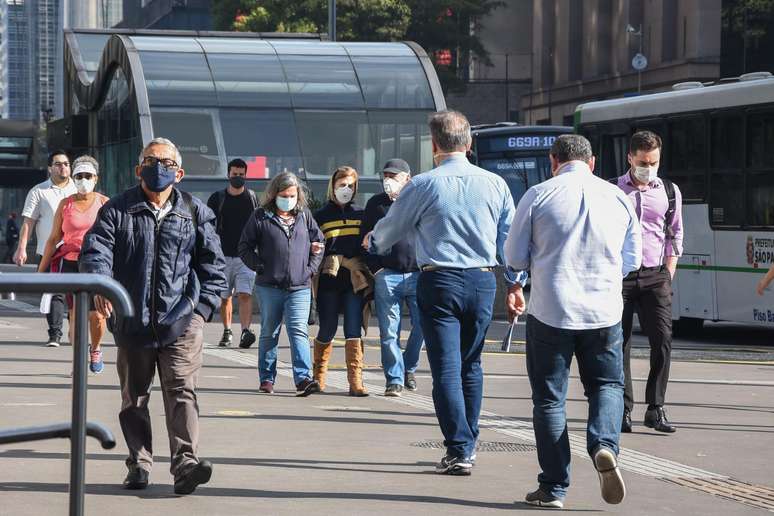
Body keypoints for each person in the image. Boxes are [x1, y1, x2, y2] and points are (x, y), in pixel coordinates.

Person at [368, 110, 514, 476]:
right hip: (483, 280)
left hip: (439, 279)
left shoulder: (423, 185)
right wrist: (516, 282)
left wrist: (375, 240)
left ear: (434, 146)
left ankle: (459, 447)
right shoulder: (495, 184)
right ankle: (470, 442)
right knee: (472, 365)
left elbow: (390, 230)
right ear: (469, 142)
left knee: (446, 369)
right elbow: (508, 239)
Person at [80, 137, 227, 495]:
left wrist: (201, 312)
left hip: (181, 322)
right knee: (135, 398)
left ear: (179, 172)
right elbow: (95, 251)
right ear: (138, 169)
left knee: (182, 392)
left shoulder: (194, 211)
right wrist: (102, 286)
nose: (157, 167)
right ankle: (139, 464)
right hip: (132, 321)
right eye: (150, 160)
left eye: (165, 162)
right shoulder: (117, 210)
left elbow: (214, 268)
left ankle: (186, 465)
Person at [504, 134, 642, 508]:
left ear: (553, 161)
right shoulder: (618, 197)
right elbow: (633, 260)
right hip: (604, 312)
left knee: (549, 400)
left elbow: (514, 257)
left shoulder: (538, 195)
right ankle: (603, 445)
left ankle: (553, 487)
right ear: (593, 162)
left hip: (552, 310)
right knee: (608, 386)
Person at [613, 130, 683, 434]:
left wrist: (669, 272)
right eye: (643, 161)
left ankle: (656, 408)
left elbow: (675, 233)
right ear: (630, 158)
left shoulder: (669, 191)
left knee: (663, 341)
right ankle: (623, 410)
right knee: (620, 344)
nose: (648, 167)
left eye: (654, 162)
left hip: (656, 275)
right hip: (621, 277)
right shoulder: (613, 189)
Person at [238, 172, 325, 396]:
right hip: (269, 286)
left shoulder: (304, 216)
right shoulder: (260, 216)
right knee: (269, 332)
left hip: (299, 286)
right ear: (274, 194)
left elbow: (319, 242)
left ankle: (303, 379)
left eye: (293, 195)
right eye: (284, 195)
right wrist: (259, 266)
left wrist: (311, 268)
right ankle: (267, 379)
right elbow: (244, 247)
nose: (288, 199)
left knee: (299, 331)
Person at [37, 156, 109, 373]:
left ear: (96, 178)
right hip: (70, 265)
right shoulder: (65, 204)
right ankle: (78, 361)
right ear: (74, 178)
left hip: (97, 265)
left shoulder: (105, 203)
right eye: (79, 176)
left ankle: (95, 349)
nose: (83, 180)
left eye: (88, 176)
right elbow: (52, 239)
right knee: (76, 317)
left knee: (97, 316)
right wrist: (41, 271)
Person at [361, 158, 423, 397]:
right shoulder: (375, 204)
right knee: (389, 332)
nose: (388, 181)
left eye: (394, 176)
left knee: (422, 326)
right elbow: (364, 241)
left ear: (407, 178)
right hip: (388, 275)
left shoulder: (418, 201)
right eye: (385, 176)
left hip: (418, 274)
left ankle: (409, 366)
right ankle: (394, 379)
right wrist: (376, 269)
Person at [312, 166, 371, 397]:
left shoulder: (361, 213)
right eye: (341, 185)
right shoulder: (321, 215)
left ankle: (356, 381)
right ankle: (318, 377)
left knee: (353, 328)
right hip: (329, 278)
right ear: (332, 186)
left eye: (350, 185)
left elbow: (368, 245)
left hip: (354, 279)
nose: (345, 189)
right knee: (327, 328)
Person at [16, 150, 77, 346]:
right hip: (49, 252)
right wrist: (21, 249)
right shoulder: (38, 191)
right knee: (53, 292)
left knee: (77, 295)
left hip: (76, 252)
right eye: (58, 164)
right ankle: (55, 334)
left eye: (66, 164)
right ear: (50, 168)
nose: (63, 167)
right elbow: (28, 222)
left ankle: (75, 333)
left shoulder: (79, 190)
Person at [207, 158, 258, 348]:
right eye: (235, 174)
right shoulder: (217, 198)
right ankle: (227, 331)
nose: (238, 177)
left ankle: (245, 331)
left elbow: (259, 225)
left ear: (246, 175)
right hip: (222, 256)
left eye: (241, 174)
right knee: (225, 297)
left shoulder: (252, 198)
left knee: (245, 294)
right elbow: (208, 226)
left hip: (246, 257)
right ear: (228, 174)